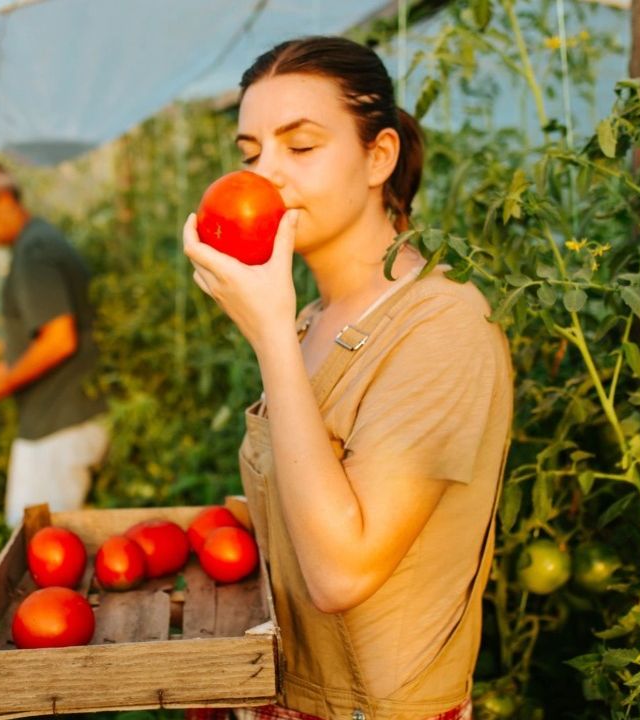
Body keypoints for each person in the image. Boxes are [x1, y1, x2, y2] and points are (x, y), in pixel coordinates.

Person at [182, 37, 513, 720]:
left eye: (300, 146)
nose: (266, 175)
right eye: (250, 154)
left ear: (379, 157)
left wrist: (269, 335)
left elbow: (340, 574)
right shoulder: (310, 319)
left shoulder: (441, 324)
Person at [0, 161, 109, 529]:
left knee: (37, 542)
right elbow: (35, 346)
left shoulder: (35, 251)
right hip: (57, 421)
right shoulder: (35, 244)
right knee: (43, 541)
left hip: (59, 424)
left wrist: (2, 385)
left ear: (5, 199)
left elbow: (59, 339)